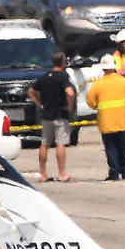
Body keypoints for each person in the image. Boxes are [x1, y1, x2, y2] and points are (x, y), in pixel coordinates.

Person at [86, 54, 125, 181]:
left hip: (106, 121)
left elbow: (90, 102)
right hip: (121, 120)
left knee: (111, 147)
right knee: (124, 147)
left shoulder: (98, 84)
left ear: (103, 68)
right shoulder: (124, 82)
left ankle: (114, 172)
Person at [27, 51, 76, 183]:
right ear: (63, 62)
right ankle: (62, 173)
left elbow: (31, 91)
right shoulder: (63, 77)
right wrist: (69, 107)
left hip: (46, 115)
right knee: (61, 143)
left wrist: (39, 103)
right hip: (60, 115)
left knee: (44, 144)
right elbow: (70, 93)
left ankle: (43, 174)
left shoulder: (44, 77)